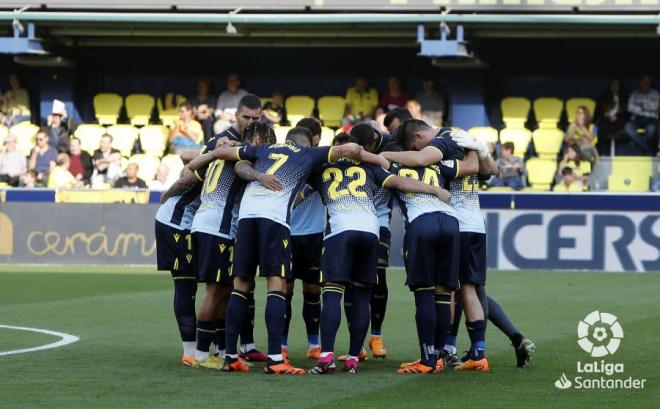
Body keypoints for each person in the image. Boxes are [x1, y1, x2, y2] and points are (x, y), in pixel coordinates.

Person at [217, 127, 368, 374]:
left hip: (246, 218)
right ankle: (276, 360)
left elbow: (229, 158)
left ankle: (230, 357)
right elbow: (350, 149)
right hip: (274, 221)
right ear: (307, 143)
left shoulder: (263, 149)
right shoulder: (309, 154)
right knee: (276, 286)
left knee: (240, 285)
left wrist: (254, 171)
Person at [308, 132, 452, 375]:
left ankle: (326, 358)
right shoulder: (368, 167)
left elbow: (297, 188)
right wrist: (434, 190)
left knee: (332, 294)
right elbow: (399, 182)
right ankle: (353, 358)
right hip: (370, 231)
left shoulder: (320, 167)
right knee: (363, 297)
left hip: (340, 231)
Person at [381, 122, 499, 373]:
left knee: (434, 292)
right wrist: (481, 150)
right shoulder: (458, 152)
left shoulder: (439, 146)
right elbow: (489, 169)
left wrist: (385, 154)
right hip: (471, 224)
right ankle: (476, 351)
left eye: (414, 146)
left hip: (446, 222)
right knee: (462, 289)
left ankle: (439, 354)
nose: (416, 151)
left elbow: (420, 158)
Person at [185, 121, 276, 370]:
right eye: (266, 138)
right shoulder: (240, 154)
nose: (269, 144)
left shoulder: (225, 151)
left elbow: (189, 162)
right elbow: (244, 172)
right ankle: (202, 354)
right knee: (215, 291)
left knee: (225, 289)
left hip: (209, 224)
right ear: (256, 137)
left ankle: (224, 350)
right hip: (217, 227)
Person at [282, 118, 324, 361]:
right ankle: (283, 345)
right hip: (286, 231)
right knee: (284, 290)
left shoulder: (320, 160)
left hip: (313, 234)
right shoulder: (283, 161)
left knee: (312, 290)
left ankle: (313, 344)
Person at [155, 166, 203, 366]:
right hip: (176, 223)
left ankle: (217, 349)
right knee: (186, 284)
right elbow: (186, 175)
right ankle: (190, 352)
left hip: (194, 224)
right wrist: (167, 194)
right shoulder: (216, 160)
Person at [624, 75, 659, 155]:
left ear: (650, 84)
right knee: (628, 127)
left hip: (651, 120)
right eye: (643, 82)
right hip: (637, 119)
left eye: (647, 82)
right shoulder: (635, 93)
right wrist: (642, 108)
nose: (645, 84)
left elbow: (657, 107)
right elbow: (629, 107)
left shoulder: (655, 93)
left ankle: (644, 149)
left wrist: (642, 106)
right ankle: (648, 150)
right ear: (640, 83)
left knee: (651, 131)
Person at [595, 79, 627, 154]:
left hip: (619, 119)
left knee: (622, 124)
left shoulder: (624, 96)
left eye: (617, 85)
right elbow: (600, 109)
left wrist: (618, 112)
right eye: (613, 85)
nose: (615, 87)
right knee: (600, 126)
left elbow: (626, 110)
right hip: (606, 119)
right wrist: (607, 112)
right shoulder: (605, 95)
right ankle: (600, 150)